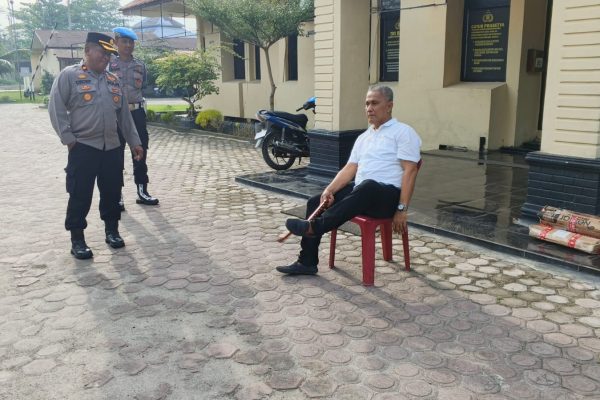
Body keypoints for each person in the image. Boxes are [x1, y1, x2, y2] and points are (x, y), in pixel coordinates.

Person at [277, 85, 422, 275]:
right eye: (367, 104)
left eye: (374, 103)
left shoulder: (403, 132)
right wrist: (329, 190)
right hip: (361, 194)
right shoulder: (364, 137)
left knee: (368, 186)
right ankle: (307, 262)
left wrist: (402, 209)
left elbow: (410, 170)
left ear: (389, 106)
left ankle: (315, 227)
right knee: (315, 201)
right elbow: (350, 168)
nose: (369, 108)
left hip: (387, 198)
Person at [48, 32, 144, 260]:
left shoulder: (113, 80)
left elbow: (124, 116)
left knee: (112, 192)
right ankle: (77, 239)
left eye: (109, 55)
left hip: (112, 147)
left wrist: (135, 142)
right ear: (87, 51)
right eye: (102, 53)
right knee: (80, 194)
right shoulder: (69, 76)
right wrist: (69, 139)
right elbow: (56, 108)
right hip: (84, 147)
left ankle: (112, 231)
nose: (106, 58)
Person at [109, 27, 159, 209]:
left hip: (136, 112)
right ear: (116, 42)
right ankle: (117, 195)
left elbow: (142, 86)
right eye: (124, 41)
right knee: (116, 154)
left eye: (131, 42)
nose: (128, 45)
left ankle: (142, 190)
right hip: (115, 114)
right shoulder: (109, 64)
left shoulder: (140, 65)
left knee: (140, 151)